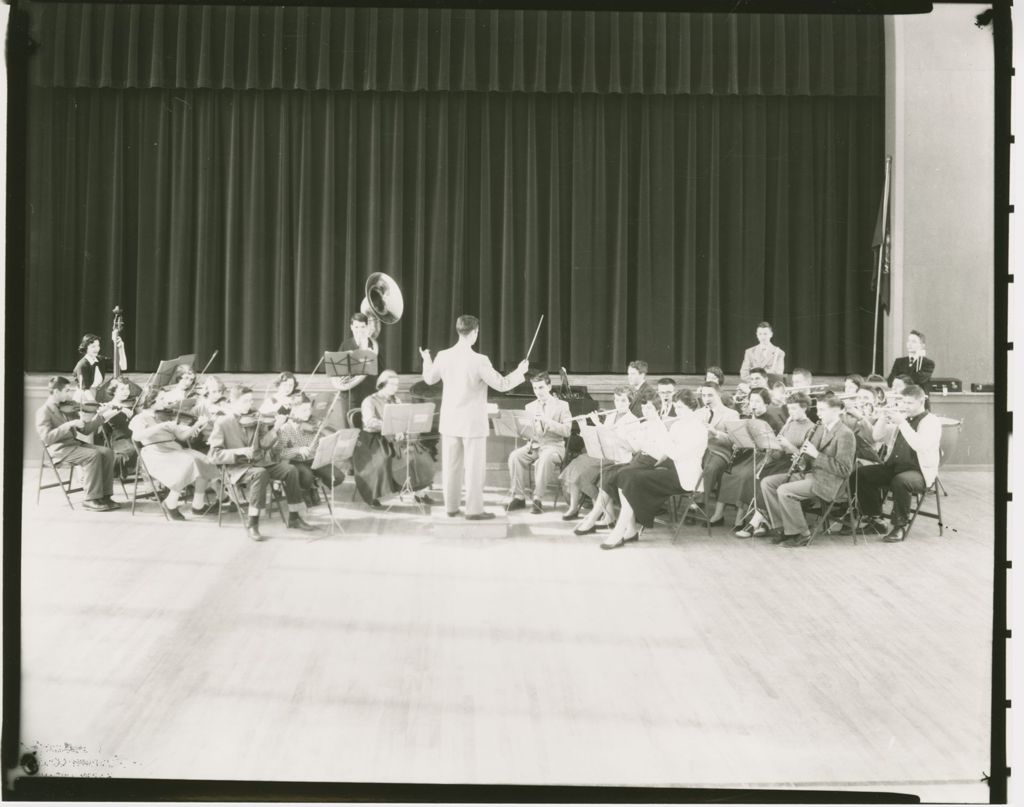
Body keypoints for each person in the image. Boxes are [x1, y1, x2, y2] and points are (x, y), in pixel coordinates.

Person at [420, 315, 529, 520]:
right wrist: (520, 371)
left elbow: (429, 378)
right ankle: (474, 510)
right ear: (474, 333)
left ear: (458, 330)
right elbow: (503, 384)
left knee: (451, 467)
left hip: (450, 421)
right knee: (474, 468)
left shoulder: (443, 356)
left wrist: (427, 360)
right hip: (472, 424)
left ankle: (451, 508)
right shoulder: (480, 360)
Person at [600, 390, 708, 550]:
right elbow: (665, 454)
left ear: (692, 408)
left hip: (685, 475)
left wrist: (659, 433)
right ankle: (630, 530)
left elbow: (677, 454)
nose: (678, 411)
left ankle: (619, 531)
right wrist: (641, 438)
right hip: (671, 467)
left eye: (682, 408)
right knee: (623, 473)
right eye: (676, 407)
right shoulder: (678, 424)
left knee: (632, 478)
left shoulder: (699, 429)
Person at [208, 385, 317, 540]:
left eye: (251, 401)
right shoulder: (222, 423)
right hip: (238, 467)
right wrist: (238, 451)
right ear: (233, 401)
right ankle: (252, 523)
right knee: (260, 473)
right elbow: (213, 455)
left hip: (260, 462)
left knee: (290, 469)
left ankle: (294, 517)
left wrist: (276, 428)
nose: (250, 405)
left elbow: (265, 444)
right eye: (246, 401)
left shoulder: (256, 419)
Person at [759, 393, 856, 547]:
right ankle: (783, 528)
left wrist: (816, 455)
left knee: (784, 490)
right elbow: (809, 458)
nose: (818, 414)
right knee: (767, 483)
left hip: (829, 482)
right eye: (818, 410)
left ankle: (802, 533)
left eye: (823, 410)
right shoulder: (820, 429)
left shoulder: (845, 434)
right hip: (810, 474)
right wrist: (802, 460)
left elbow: (844, 470)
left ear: (836, 411)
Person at [853, 384, 941, 542]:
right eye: (904, 402)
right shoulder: (905, 419)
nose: (905, 407)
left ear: (921, 402)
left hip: (919, 472)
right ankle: (875, 519)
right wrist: (883, 417)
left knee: (901, 481)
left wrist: (902, 422)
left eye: (910, 403)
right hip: (895, 467)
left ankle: (899, 526)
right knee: (861, 474)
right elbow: (876, 436)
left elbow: (919, 445)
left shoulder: (931, 422)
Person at [729, 392, 816, 537]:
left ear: (805, 408)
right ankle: (764, 522)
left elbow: (805, 460)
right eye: (789, 409)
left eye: (794, 409)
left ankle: (754, 523)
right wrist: (770, 448)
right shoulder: (789, 425)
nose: (791, 412)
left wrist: (787, 445)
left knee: (767, 479)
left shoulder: (811, 428)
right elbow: (778, 451)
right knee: (757, 474)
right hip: (782, 461)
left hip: (796, 466)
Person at [129, 389, 220, 520]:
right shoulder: (140, 418)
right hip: (156, 453)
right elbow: (137, 437)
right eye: (161, 399)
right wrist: (162, 426)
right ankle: (170, 503)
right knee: (190, 462)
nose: (165, 402)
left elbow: (182, 436)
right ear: (151, 401)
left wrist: (198, 425)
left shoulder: (160, 417)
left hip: (174, 449)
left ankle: (198, 505)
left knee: (204, 460)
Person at [353, 370, 435, 507]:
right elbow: (369, 422)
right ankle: (373, 496)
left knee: (413, 456)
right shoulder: (369, 400)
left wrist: (403, 428)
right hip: (373, 438)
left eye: (397, 385)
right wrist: (390, 427)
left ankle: (419, 493)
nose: (395, 388)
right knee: (382, 461)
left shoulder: (396, 400)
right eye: (392, 385)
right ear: (382, 384)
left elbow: (402, 418)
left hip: (394, 436)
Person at [36, 376, 119, 511]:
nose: (70, 394)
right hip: (60, 449)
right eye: (67, 391)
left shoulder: (68, 406)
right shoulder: (44, 411)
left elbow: (86, 430)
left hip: (74, 445)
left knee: (107, 452)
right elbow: (47, 438)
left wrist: (102, 416)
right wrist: (69, 425)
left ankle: (105, 496)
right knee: (93, 455)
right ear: (56, 392)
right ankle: (90, 499)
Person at [558, 386, 637, 520]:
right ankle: (573, 507)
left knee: (585, 475)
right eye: (617, 400)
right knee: (575, 466)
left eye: (623, 400)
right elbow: (600, 438)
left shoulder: (633, 420)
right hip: (604, 455)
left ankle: (604, 511)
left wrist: (597, 425)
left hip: (618, 458)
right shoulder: (611, 416)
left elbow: (621, 442)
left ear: (630, 402)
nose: (619, 404)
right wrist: (584, 425)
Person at [706, 389, 782, 526]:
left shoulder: (772, 421)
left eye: (758, 401)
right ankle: (718, 514)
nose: (754, 404)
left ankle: (740, 518)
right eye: (752, 401)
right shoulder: (747, 417)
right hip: (748, 454)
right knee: (727, 474)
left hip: (763, 456)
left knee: (744, 476)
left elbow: (774, 445)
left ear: (765, 402)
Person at [507, 372, 572, 514]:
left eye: (541, 387)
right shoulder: (529, 406)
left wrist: (547, 421)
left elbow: (567, 431)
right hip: (534, 445)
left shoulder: (562, 405)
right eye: (535, 388)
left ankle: (538, 498)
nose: (538, 392)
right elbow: (528, 431)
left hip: (554, 446)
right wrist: (523, 431)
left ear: (549, 387)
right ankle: (519, 497)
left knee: (545, 458)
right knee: (515, 456)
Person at [690, 382, 740, 526]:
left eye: (710, 395)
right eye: (704, 395)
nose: (707, 398)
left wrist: (716, 433)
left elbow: (734, 440)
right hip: (699, 449)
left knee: (710, 468)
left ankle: (696, 504)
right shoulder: (698, 413)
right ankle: (693, 500)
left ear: (719, 395)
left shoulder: (731, 414)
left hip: (720, 450)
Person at [334, 312, 381, 421]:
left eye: (362, 327)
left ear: (367, 327)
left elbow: (382, 370)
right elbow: (336, 370)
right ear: (351, 327)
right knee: (350, 427)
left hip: (369, 392)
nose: (359, 330)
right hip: (349, 394)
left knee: (368, 427)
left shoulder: (375, 346)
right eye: (356, 327)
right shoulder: (345, 344)